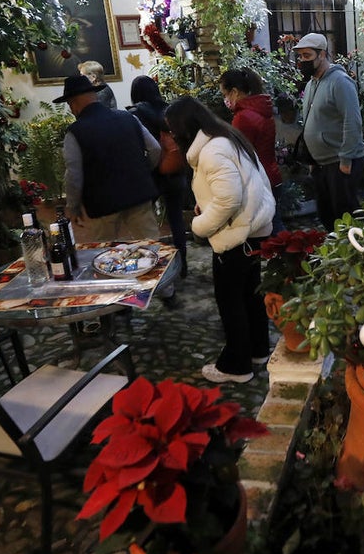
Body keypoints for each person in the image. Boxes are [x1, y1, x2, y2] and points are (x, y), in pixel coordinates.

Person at [163, 96, 276, 384]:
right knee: (250, 294)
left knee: (230, 301)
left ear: (184, 128)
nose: (171, 137)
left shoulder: (212, 151)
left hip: (237, 235)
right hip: (253, 229)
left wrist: (200, 225)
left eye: (172, 130)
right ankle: (258, 350)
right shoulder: (226, 138)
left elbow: (229, 198)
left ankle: (237, 366)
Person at [54, 74, 161, 243]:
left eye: (69, 105)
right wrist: (143, 170)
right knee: (152, 247)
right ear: (94, 96)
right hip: (139, 193)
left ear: (73, 103)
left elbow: (74, 175)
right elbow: (155, 148)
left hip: (102, 203)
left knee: (103, 253)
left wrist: (73, 207)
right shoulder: (128, 118)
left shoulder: (75, 132)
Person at [294, 32, 364, 231]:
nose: (302, 61)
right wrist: (311, 160)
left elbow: (352, 122)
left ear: (322, 54)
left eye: (307, 56)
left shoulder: (340, 82)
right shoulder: (310, 85)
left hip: (339, 162)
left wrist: (346, 159)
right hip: (320, 163)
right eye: (300, 57)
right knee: (326, 214)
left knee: (346, 215)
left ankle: (358, 255)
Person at [129, 75, 189, 280]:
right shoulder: (170, 110)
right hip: (175, 170)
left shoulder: (135, 114)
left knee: (147, 223)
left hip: (152, 176)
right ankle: (183, 265)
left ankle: (155, 269)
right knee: (176, 219)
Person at [219, 67, 284, 233]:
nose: (225, 99)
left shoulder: (243, 118)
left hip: (258, 179)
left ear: (234, 92)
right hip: (270, 173)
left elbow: (239, 154)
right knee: (274, 225)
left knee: (270, 230)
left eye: (225, 94)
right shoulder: (260, 109)